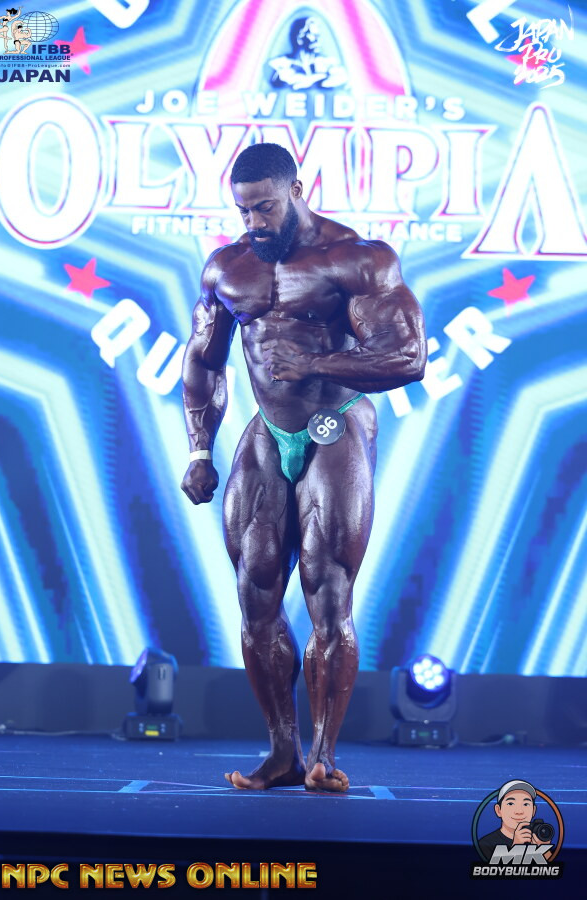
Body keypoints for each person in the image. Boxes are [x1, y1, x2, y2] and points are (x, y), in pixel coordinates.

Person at [181, 143, 426, 791]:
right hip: (268, 429)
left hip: (334, 422)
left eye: (265, 207)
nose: (254, 221)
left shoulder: (357, 259)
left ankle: (324, 757)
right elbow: (203, 362)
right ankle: (282, 752)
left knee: (327, 590)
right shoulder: (228, 268)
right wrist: (200, 449)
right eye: (244, 210)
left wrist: (316, 364)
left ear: (296, 189)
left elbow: (408, 356)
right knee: (255, 594)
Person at [479, 780, 553, 860]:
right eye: (511, 803)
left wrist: (544, 849)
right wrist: (516, 846)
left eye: (526, 804)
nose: (519, 811)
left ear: (533, 811)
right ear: (498, 810)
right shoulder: (485, 844)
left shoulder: (538, 838)